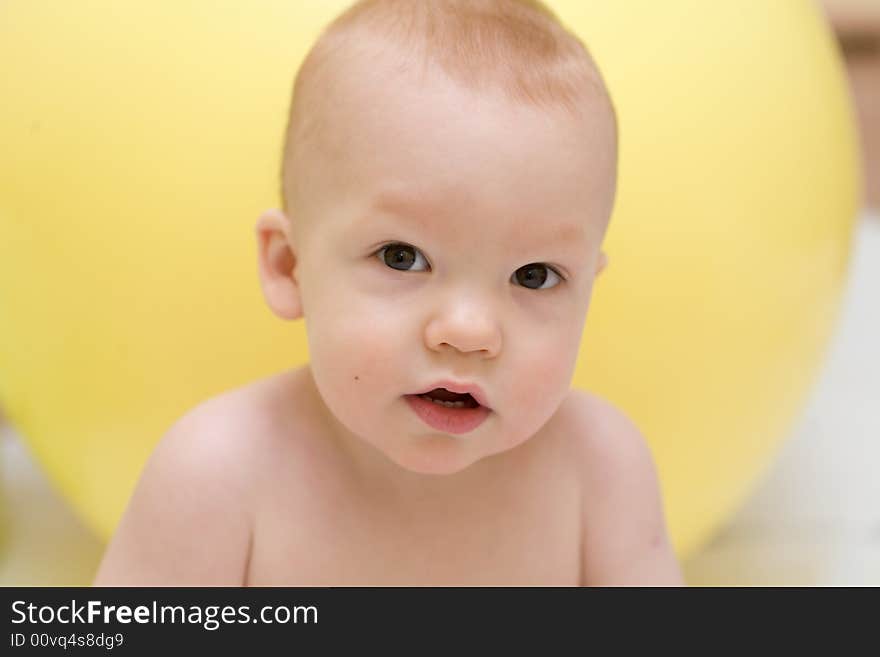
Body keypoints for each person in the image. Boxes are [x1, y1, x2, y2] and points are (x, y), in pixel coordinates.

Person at [93, 0, 684, 586]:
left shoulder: (600, 469)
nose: (470, 331)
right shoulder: (218, 475)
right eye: (403, 258)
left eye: (534, 275)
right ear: (288, 264)